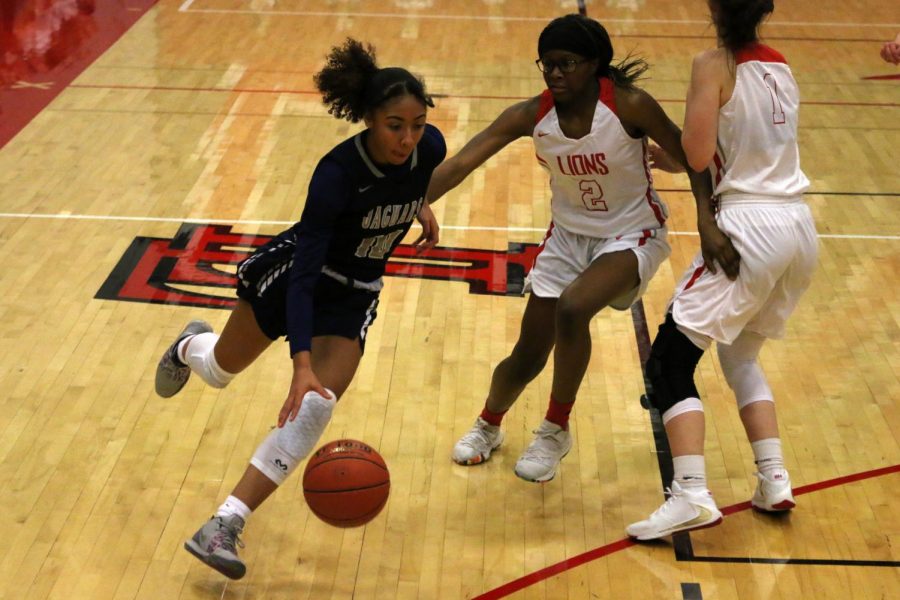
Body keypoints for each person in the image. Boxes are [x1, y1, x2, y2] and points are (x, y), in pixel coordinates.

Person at [153, 38, 446, 579]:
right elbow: (306, 276)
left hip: (355, 293)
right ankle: (189, 345)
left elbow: (409, 177)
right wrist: (301, 364)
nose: (409, 138)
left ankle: (223, 523)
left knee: (314, 408)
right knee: (219, 371)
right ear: (366, 120)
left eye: (418, 123)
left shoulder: (430, 149)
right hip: (296, 279)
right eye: (394, 125)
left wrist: (416, 202)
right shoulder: (334, 174)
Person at [428, 13, 728, 483]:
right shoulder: (532, 114)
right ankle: (489, 423)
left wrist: (707, 221)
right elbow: (464, 160)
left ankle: (554, 428)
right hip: (567, 238)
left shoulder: (629, 106)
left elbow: (694, 160)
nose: (555, 74)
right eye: (546, 64)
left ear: (593, 64)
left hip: (632, 235)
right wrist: (403, 207)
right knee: (527, 353)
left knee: (573, 309)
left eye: (565, 63)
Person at [626, 0, 817, 541]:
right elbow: (733, 148)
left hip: (748, 227)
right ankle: (774, 479)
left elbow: (697, 150)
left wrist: (672, 149)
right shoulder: (780, 63)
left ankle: (689, 493)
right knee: (741, 353)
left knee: (668, 361)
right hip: (798, 227)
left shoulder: (712, 65)